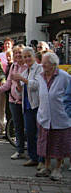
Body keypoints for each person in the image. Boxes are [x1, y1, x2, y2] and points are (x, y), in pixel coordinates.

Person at [35, 53, 71, 181]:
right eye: (42, 63)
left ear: (53, 64)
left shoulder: (64, 77)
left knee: (58, 144)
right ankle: (47, 166)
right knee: (46, 143)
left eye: (46, 63)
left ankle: (58, 168)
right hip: (44, 115)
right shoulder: (40, 77)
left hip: (60, 116)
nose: (42, 65)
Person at [12, 47, 44, 168]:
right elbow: (21, 91)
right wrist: (19, 85)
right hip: (27, 106)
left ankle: (41, 158)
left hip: (37, 105)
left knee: (39, 134)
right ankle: (33, 157)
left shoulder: (39, 68)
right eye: (25, 57)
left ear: (34, 56)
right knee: (29, 133)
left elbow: (36, 85)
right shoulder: (26, 71)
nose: (27, 59)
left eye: (29, 56)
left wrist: (22, 79)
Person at [0, 45, 27, 159]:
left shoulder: (28, 67)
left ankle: (33, 153)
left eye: (20, 53)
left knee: (28, 127)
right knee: (17, 126)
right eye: (16, 53)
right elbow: (8, 83)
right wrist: (0, 89)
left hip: (25, 101)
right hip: (13, 100)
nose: (18, 55)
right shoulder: (13, 66)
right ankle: (19, 150)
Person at [0, 38, 14, 136]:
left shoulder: (14, 59)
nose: (7, 45)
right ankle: (1, 126)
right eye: (5, 44)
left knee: (9, 109)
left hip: (11, 87)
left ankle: (10, 129)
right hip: (2, 84)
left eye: (8, 44)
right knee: (1, 106)